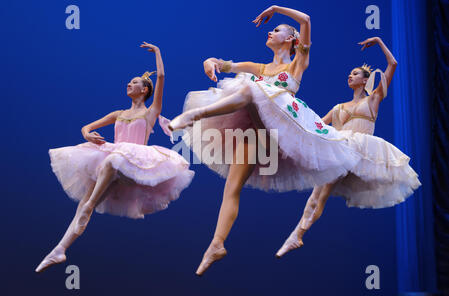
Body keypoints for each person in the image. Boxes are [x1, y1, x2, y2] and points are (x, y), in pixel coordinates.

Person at [168, 5, 364, 276]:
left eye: (276, 29)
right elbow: (225, 64)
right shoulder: (258, 67)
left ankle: (194, 115)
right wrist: (210, 62)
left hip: (283, 132)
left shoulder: (297, 63)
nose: (270, 31)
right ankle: (216, 244)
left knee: (250, 87)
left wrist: (275, 8)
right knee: (231, 187)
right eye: (272, 28)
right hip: (257, 135)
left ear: (291, 40)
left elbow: (306, 19)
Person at [35, 42, 194, 273]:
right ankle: (60, 249)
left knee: (113, 162)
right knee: (83, 205)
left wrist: (158, 52)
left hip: (135, 165)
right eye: (129, 82)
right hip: (112, 161)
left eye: (134, 82)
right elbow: (86, 127)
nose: (129, 84)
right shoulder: (118, 114)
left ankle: (90, 205)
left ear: (145, 90)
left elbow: (160, 76)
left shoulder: (151, 113)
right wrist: (88, 135)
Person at [275, 37, 421, 257]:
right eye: (349, 74)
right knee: (318, 195)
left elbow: (393, 65)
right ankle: (297, 235)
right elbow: (315, 125)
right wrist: (291, 112)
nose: (350, 76)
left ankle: (296, 235)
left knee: (320, 193)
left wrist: (379, 42)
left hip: (357, 149)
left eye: (355, 74)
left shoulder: (373, 100)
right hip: (338, 148)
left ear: (364, 81)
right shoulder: (338, 107)